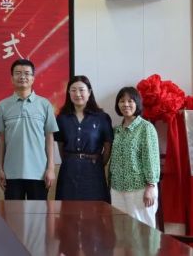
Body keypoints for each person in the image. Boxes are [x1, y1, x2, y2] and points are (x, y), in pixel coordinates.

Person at [0, 59, 59, 200]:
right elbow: (1, 140)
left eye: (27, 73)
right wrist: (0, 169)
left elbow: (49, 139)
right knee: (12, 213)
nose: (22, 76)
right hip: (11, 173)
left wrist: (51, 169)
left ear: (33, 78)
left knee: (38, 213)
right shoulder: (2, 106)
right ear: (12, 78)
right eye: (18, 73)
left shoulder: (45, 104)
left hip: (39, 173)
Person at [55, 75, 113, 202]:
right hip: (69, 170)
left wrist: (97, 162)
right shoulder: (62, 118)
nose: (77, 94)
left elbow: (108, 147)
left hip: (94, 171)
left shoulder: (102, 118)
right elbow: (61, 146)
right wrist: (72, 160)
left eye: (81, 90)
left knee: (95, 208)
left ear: (89, 92)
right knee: (67, 207)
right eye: (73, 90)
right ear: (69, 93)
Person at [109, 87, 160, 227]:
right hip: (117, 188)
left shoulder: (146, 128)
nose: (126, 104)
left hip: (140, 188)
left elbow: (151, 159)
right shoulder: (116, 130)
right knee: (120, 229)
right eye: (122, 101)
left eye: (130, 101)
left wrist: (151, 186)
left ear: (137, 103)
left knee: (142, 230)